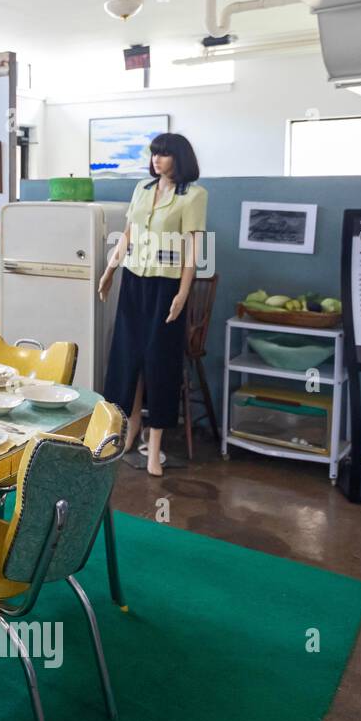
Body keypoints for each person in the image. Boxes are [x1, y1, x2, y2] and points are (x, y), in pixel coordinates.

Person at [99, 132, 207, 477]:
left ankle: (155, 444)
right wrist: (109, 270)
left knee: (159, 363)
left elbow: (192, 250)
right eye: (153, 154)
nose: (156, 160)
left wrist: (182, 293)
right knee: (127, 357)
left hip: (166, 285)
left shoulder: (193, 196)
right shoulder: (142, 190)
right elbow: (127, 234)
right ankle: (127, 430)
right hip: (134, 281)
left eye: (163, 154)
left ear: (179, 157)